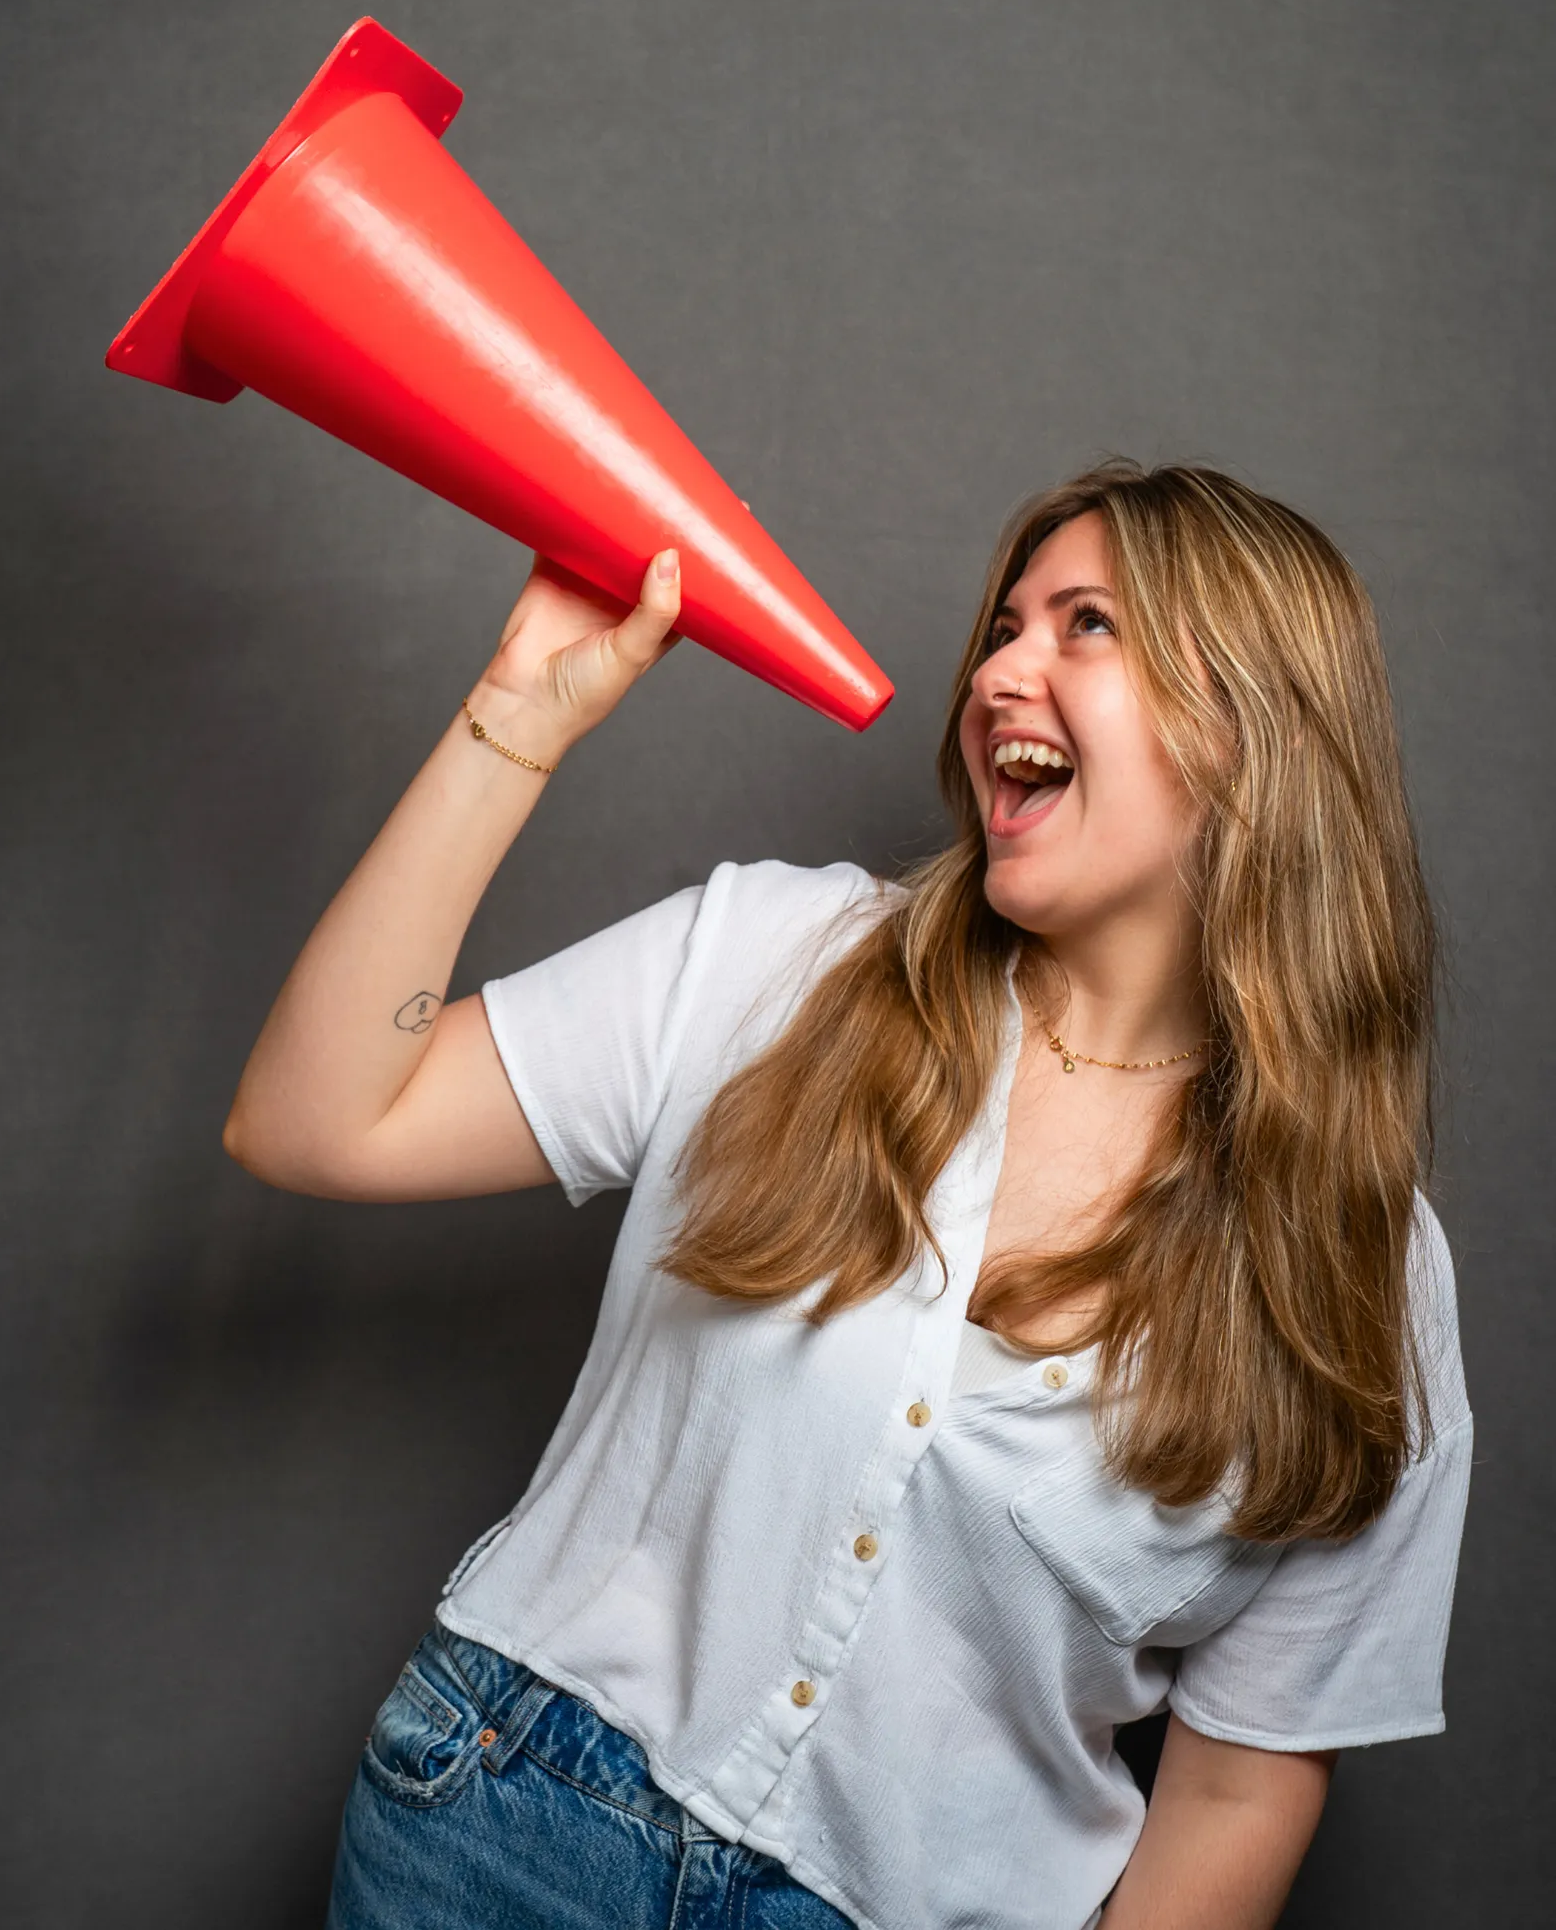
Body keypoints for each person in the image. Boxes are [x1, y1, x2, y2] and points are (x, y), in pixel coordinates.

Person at [222, 460, 1471, 1930]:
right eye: (1003, 626)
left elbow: (1243, 1783)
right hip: (493, 1836)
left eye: (1084, 628)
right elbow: (316, 1124)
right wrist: (516, 717)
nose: (1001, 667)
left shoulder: (1361, 1268)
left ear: (1257, 727)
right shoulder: (777, 959)